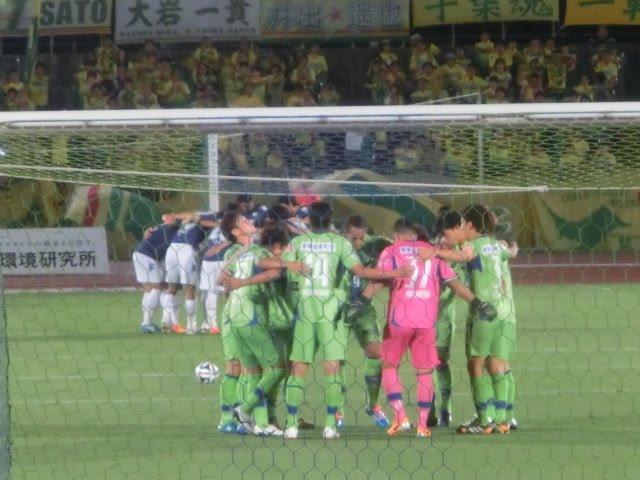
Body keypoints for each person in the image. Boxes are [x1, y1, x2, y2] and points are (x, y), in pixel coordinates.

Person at [263, 201, 414, 440]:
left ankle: (291, 425)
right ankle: (331, 425)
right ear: (330, 219)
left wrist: (287, 263)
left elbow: (267, 263)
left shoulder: (299, 243)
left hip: (306, 313)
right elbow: (361, 272)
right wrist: (396, 273)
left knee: (299, 368)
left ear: (309, 220)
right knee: (332, 367)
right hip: (332, 314)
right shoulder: (340, 243)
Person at [372, 218, 496, 438]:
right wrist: (477, 303)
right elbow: (455, 285)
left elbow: (379, 280)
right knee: (425, 372)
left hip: (399, 320)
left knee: (389, 366)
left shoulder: (391, 251)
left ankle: (400, 418)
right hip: (427, 321)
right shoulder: (432, 252)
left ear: (397, 236)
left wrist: (361, 300)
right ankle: (422, 425)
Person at [419, 205, 517, 434]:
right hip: (504, 311)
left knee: (476, 364)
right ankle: (502, 419)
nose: (461, 227)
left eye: (463, 223)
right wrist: (513, 245)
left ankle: (484, 420)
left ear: (471, 224)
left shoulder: (474, 244)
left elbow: (464, 255)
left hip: (484, 311)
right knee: (498, 364)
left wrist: (435, 252)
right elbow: (510, 252)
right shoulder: (496, 245)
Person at [218, 212, 289, 436]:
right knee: (236, 366)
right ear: (235, 231)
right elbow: (223, 281)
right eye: (244, 221)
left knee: (252, 368)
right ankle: (229, 418)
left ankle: (253, 420)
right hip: (237, 314)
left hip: (244, 313)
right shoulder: (234, 251)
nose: (250, 222)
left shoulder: (254, 250)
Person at [338, 215, 393, 429]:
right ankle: (338, 410)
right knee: (337, 359)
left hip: (364, 308)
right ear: (345, 233)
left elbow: (396, 248)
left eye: (362, 237)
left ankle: (373, 405)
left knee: (376, 355)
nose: (359, 242)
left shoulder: (376, 243)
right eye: (354, 238)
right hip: (339, 308)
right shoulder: (337, 246)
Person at [162, 211, 218, 334]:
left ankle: (166, 322)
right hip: (186, 250)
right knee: (189, 288)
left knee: (171, 288)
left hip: (172, 249)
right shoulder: (211, 217)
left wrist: (185, 218)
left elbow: (191, 216)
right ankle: (191, 326)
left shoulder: (188, 219)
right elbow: (210, 222)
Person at [132, 222, 181, 333]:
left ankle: (149, 323)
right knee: (157, 288)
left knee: (148, 289)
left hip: (139, 253)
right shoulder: (175, 232)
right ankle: (147, 323)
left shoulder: (162, 226)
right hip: (148, 256)